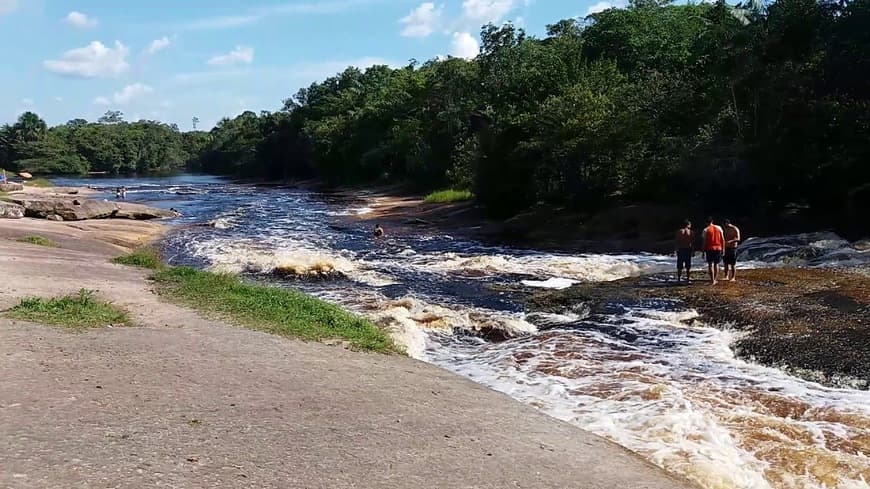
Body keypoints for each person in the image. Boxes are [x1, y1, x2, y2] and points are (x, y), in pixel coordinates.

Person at [701, 216, 725, 285]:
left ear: (706, 223)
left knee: (710, 264)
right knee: (716, 264)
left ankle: (712, 281)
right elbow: (722, 239)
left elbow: (704, 242)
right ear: (712, 221)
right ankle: (715, 279)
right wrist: (723, 249)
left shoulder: (705, 230)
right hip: (718, 248)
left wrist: (703, 251)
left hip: (710, 248)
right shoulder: (719, 228)